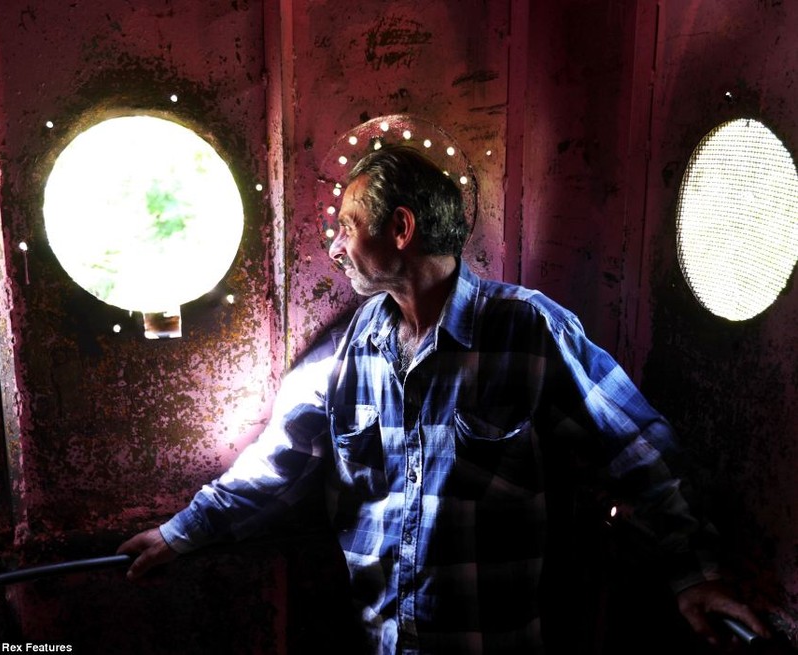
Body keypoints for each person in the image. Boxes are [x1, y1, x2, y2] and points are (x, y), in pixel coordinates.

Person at [119, 145, 768, 653]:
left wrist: (696, 572)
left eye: (347, 227)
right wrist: (182, 533)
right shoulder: (349, 348)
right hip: (383, 645)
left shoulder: (527, 329)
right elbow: (277, 459)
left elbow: (639, 447)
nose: (336, 247)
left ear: (400, 227)